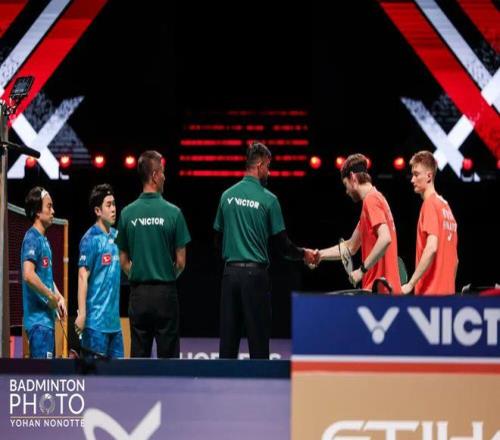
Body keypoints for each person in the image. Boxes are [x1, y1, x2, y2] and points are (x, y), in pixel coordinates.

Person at [213, 141, 318, 359]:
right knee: (259, 344)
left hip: (230, 276)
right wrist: (304, 254)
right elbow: (284, 247)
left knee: (227, 345)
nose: (269, 172)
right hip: (255, 277)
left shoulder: (226, 196)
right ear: (260, 164)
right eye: (268, 167)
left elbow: (217, 239)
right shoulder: (269, 200)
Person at [116, 150, 191, 358]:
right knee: (169, 362)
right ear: (155, 175)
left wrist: (137, 274)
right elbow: (181, 262)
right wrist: (165, 275)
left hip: (138, 295)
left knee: (139, 360)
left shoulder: (127, 213)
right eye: (163, 172)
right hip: (165, 294)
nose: (165, 177)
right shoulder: (174, 213)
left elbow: (123, 261)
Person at [316, 153, 402, 293]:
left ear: (353, 178)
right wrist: (320, 255)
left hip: (380, 291)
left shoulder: (371, 200)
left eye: (346, 185)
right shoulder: (375, 200)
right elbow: (350, 246)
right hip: (383, 290)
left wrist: (361, 270)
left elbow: (385, 238)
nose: (347, 191)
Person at [74, 184, 123, 358]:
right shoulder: (90, 239)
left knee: (120, 375)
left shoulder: (117, 237)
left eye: (114, 204)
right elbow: (82, 276)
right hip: (95, 326)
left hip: (115, 327)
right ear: (97, 211)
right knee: (93, 375)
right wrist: (82, 314)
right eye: (108, 205)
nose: (113, 209)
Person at [401, 150, 458, 295]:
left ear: (429, 176)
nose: (412, 180)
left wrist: (410, 284)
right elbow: (455, 261)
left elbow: (431, 247)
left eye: (416, 174)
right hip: (448, 296)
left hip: (429, 297)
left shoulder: (430, 204)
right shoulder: (447, 208)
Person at [21, 187, 66, 358]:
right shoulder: (32, 238)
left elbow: (45, 277)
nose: (53, 211)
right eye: (49, 206)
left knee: (47, 373)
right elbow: (28, 274)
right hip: (38, 323)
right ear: (37, 211)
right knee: (43, 374)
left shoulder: (44, 241)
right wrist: (50, 297)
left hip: (46, 323)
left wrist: (59, 297)